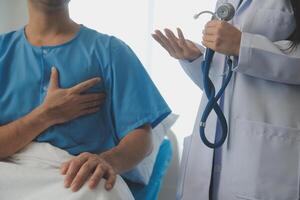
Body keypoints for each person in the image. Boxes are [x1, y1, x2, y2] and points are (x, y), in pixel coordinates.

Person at [0, 0, 171, 199]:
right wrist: (45, 115)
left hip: (76, 179)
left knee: (95, 190)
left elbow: (141, 137)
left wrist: (107, 161)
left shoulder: (110, 51)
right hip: (10, 174)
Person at [152, 0, 300, 199]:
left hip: (268, 160)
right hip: (214, 158)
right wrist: (197, 61)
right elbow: (230, 84)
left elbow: (246, 55)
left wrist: (243, 45)